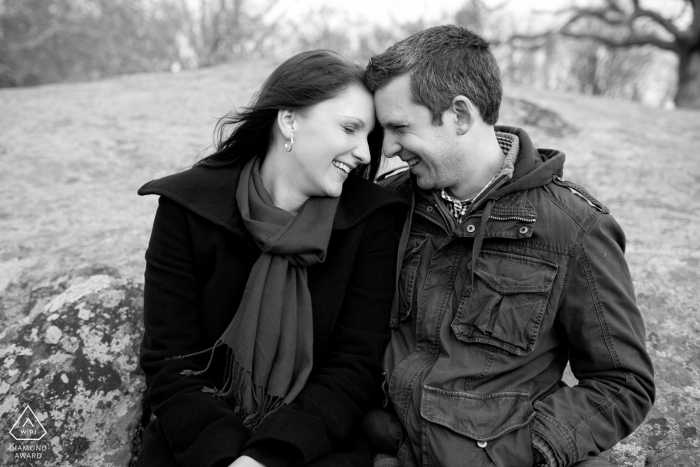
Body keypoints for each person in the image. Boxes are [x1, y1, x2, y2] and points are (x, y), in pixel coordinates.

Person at [362, 25, 655, 467]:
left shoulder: (573, 228)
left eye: (399, 127)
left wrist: (529, 452)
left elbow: (623, 381)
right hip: (380, 451)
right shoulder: (390, 206)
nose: (387, 149)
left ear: (460, 115)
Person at [135, 50, 407, 467]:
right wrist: (225, 455)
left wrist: (267, 456)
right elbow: (170, 362)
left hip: (312, 443)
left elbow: (356, 367)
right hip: (198, 443)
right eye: (349, 128)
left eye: (366, 137)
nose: (365, 155)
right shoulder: (187, 208)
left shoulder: (370, 221)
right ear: (289, 120)